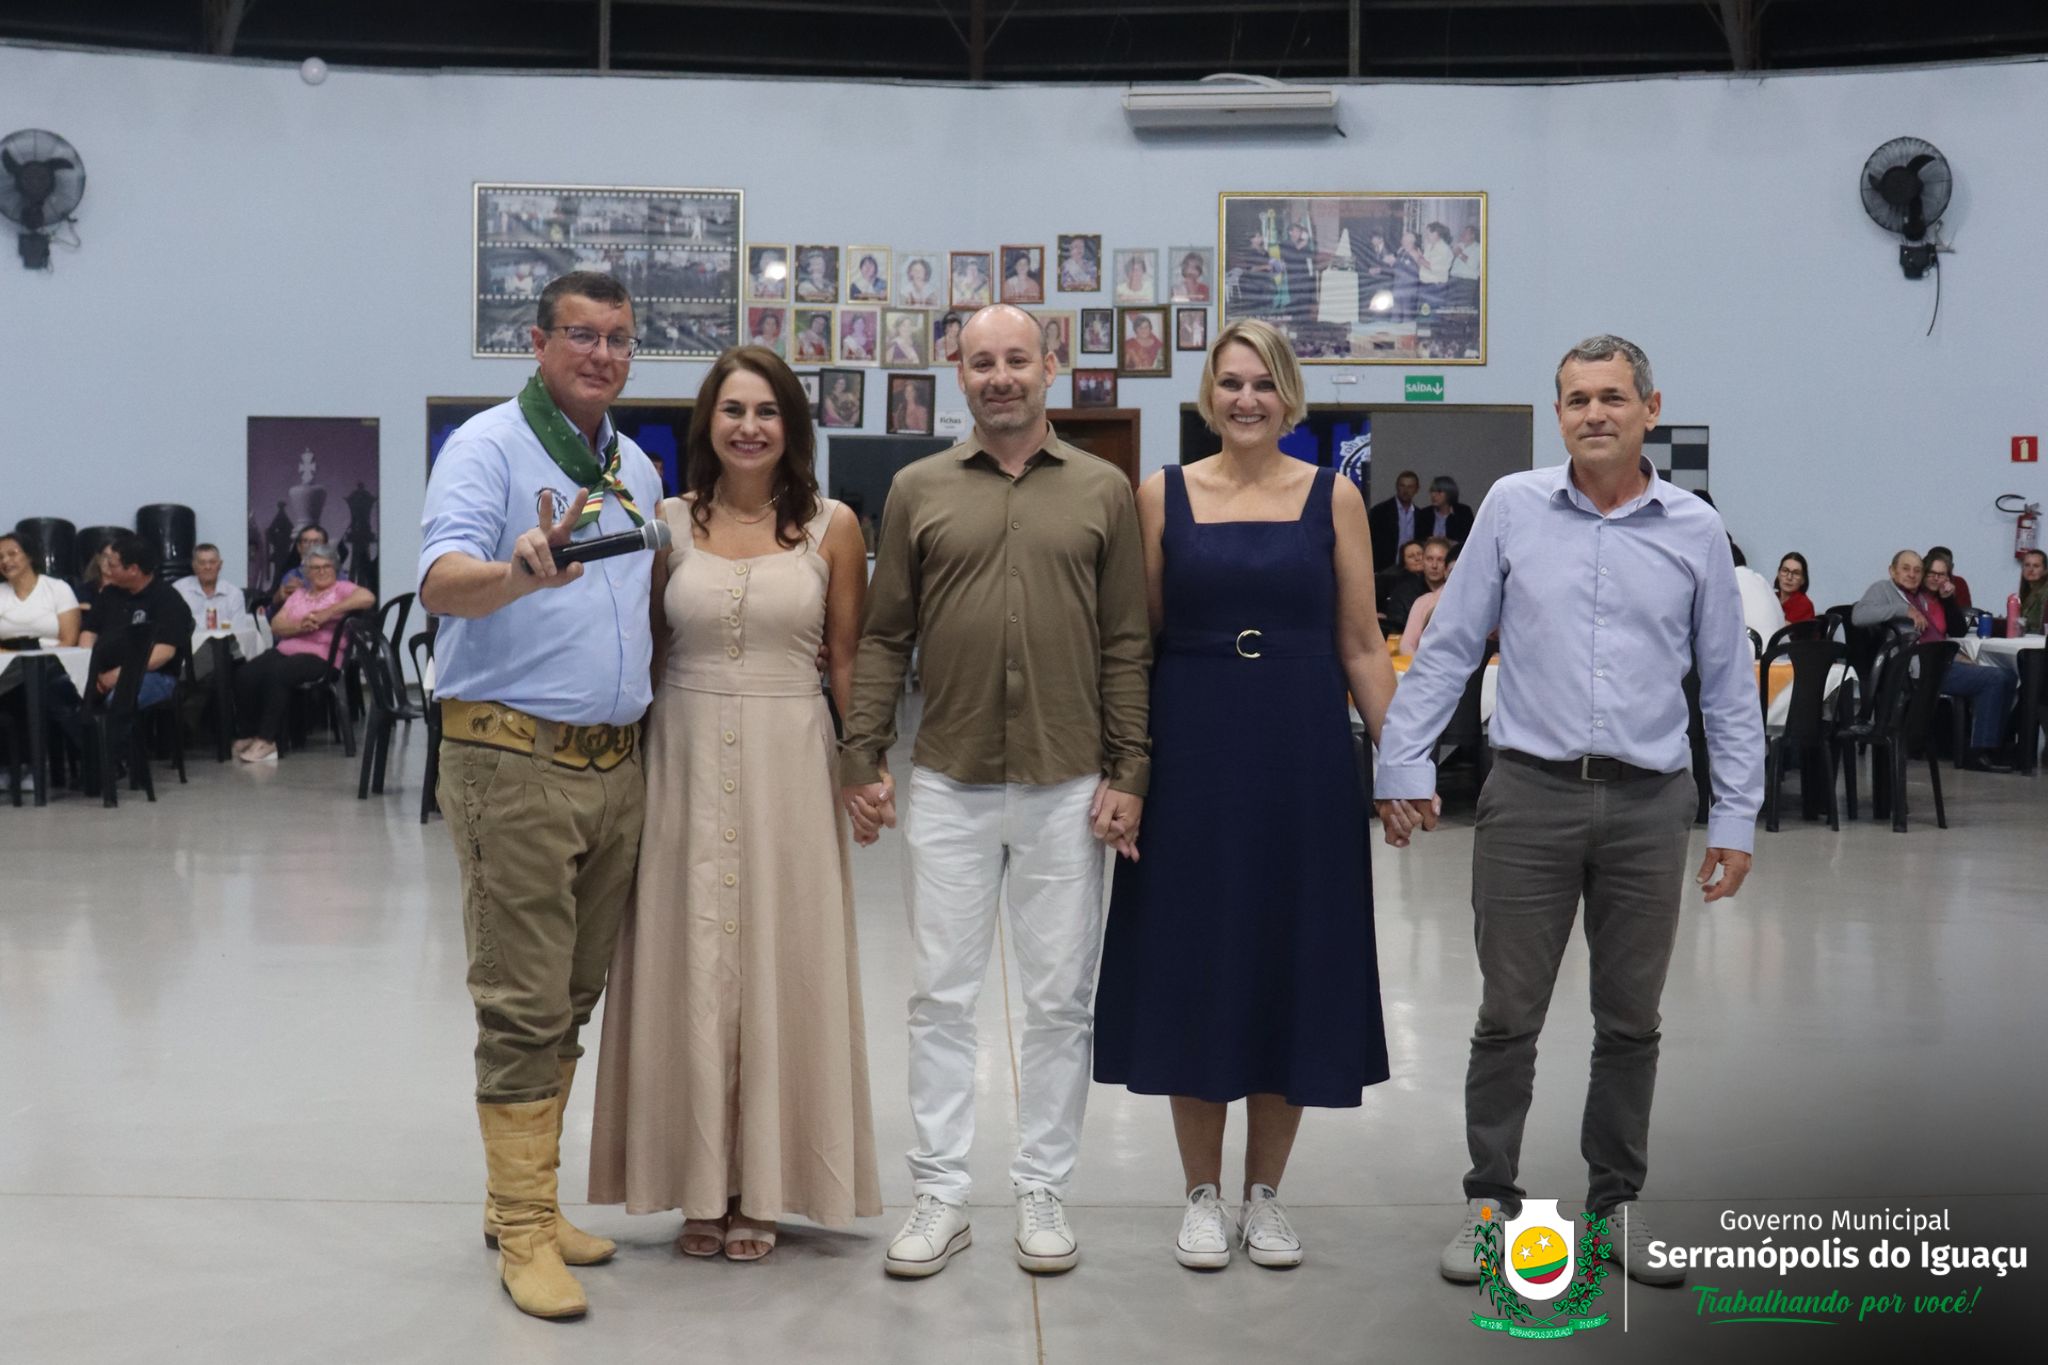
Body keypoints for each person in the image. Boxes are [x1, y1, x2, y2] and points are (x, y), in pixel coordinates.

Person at [1375, 335, 1764, 1288]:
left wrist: (1736, 816)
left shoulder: (1694, 528)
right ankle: (1489, 1203)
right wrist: (1401, 760)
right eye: (1577, 399)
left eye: (1613, 397)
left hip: (1647, 804)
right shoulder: (1512, 508)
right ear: (1559, 413)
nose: (1595, 413)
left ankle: (1615, 1206)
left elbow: (1726, 682)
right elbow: (1452, 644)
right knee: (1507, 1014)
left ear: (1649, 408)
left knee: (1630, 1020)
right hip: (1529, 796)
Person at [838, 303, 1149, 1280]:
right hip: (947, 781)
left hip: (1069, 785)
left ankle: (1042, 1187)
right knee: (939, 997)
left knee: (1059, 1002)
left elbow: (1126, 644)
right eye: (982, 362)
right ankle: (938, 1193)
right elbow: (885, 634)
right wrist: (861, 755)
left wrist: (1129, 771)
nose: (1000, 375)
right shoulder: (916, 488)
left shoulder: (1102, 493)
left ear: (1050, 368)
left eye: (1017, 359)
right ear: (958, 373)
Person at [1092, 320, 1396, 1272]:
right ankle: (1200, 1193)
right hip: (1193, 753)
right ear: (1206, 396)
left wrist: (1404, 762)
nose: (1247, 399)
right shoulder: (1162, 494)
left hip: (1302, 754)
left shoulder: (1335, 497)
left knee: (1289, 958)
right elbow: (1133, 647)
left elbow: (1360, 643)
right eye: (1229, 383)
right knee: (1197, 959)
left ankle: (1265, 1195)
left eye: (1264, 383)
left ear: (1290, 394)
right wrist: (1127, 769)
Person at [589, 346, 879, 1262]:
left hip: (792, 759)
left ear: (791, 426)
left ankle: (766, 1182)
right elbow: (648, 651)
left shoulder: (834, 527)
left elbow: (845, 662)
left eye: (767, 410)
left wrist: (864, 766)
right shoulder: (665, 521)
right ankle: (696, 1186)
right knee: (689, 958)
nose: (749, 425)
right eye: (732, 409)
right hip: (679, 749)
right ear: (707, 422)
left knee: (779, 956)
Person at [418, 270, 662, 1320]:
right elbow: (437, 581)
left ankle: (527, 1197)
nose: (600, 354)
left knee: (568, 998)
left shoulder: (635, 468)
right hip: (510, 760)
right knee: (519, 1002)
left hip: (613, 766)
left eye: (616, 338)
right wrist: (516, 571)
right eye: (580, 335)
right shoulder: (488, 448)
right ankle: (521, 1233)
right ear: (537, 340)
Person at [1852, 550, 2015, 772]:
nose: (1912, 574)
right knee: (1994, 679)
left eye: (1917, 570)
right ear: (1892, 570)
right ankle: (1978, 753)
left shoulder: (1919, 597)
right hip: (1920, 670)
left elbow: (1940, 634)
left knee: (2007, 675)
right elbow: (1858, 616)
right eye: (1906, 569)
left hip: (1941, 661)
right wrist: (1903, 610)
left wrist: (1956, 654)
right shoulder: (1883, 589)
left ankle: (1994, 746)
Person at [231, 543, 373, 763]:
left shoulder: (341, 589)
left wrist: (327, 613)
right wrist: (301, 627)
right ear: (306, 572)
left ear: (335, 568)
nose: (322, 571)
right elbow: (277, 626)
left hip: (323, 656)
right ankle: (250, 733)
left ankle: (267, 741)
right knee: (246, 673)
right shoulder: (300, 594)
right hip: (286, 650)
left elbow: (367, 598)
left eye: (327, 566)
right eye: (315, 568)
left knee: (279, 672)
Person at [0, 530, 81, 646]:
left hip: (52, 660)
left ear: (29, 556)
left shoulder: (58, 588)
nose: (5, 561)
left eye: (12, 554)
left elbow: (69, 640)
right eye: (0, 557)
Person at [172, 543, 246, 635]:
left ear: (220, 565)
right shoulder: (179, 590)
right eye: (202, 563)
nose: (208, 567)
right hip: (188, 647)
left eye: (212, 562)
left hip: (225, 647)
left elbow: (240, 632)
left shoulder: (234, 594)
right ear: (194, 566)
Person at [1384, 536, 1450, 634]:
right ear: (1422, 560)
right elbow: (1395, 631)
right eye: (1429, 559)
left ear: (1448, 563)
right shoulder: (1403, 593)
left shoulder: (1455, 593)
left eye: (1440, 560)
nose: (1434, 565)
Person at [1366, 469, 1423, 573]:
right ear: (1397, 487)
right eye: (1402, 486)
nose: (1405, 490)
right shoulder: (1380, 511)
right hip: (1385, 568)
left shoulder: (1420, 514)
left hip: (1412, 569)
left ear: (1417, 489)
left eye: (1410, 487)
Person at [271, 524, 329, 608]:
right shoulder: (292, 575)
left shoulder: (335, 574)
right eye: (306, 541)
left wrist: (305, 592)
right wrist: (277, 599)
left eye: (316, 542)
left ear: (325, 547)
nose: (311, 546)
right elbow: (270, 615)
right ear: (299, 547)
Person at [1924, 543, 1973, 612]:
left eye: (1941, 574)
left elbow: (1966, 614)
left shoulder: (1959, 583)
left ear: (1951, 568)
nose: (1936, 578)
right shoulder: (1917, 584)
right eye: (1932, 572)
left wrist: (1949, 599)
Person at [1426, 475, 1475, 544]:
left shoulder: (1463, 512)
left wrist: (1450, 542)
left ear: (1449, 493)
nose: (1433, 495)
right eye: (1432, 491)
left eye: (1439, 492)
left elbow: (1470, 539)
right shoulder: (1425, 513)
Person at [1775, 553, 1815, 623]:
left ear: (1803, 580)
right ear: (1778, 574)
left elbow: (1781, 630)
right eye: (1785, 571)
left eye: (1796, 573)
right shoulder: (1772, 597)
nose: (1789, 577)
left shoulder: (1804, 604)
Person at [2018, 548, 2048, 634]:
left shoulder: (2045, 593)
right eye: (2027, 565)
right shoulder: (2027, 593)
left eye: (2036, 566)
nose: (2030, 569)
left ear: (2045, 570)